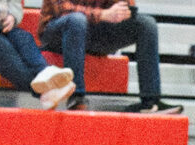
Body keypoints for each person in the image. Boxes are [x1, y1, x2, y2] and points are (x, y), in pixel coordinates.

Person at [37, 0, 181, 112]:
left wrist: (122, 10)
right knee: (77, 20)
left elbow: (125, 9)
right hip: (58, 33)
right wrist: (103, 14)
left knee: (146, 25)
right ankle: (77, 98)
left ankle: (151, 102)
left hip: (93, 29)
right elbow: (63, 9)